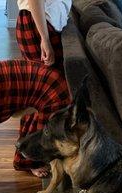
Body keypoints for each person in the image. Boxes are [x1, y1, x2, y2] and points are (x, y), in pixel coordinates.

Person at [14, 0, 71, 177]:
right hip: (37, 25)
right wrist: (45, 39)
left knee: (45, 94)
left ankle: (33, 153)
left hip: (41, 24)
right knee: (42, 95)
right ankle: (26, 159)